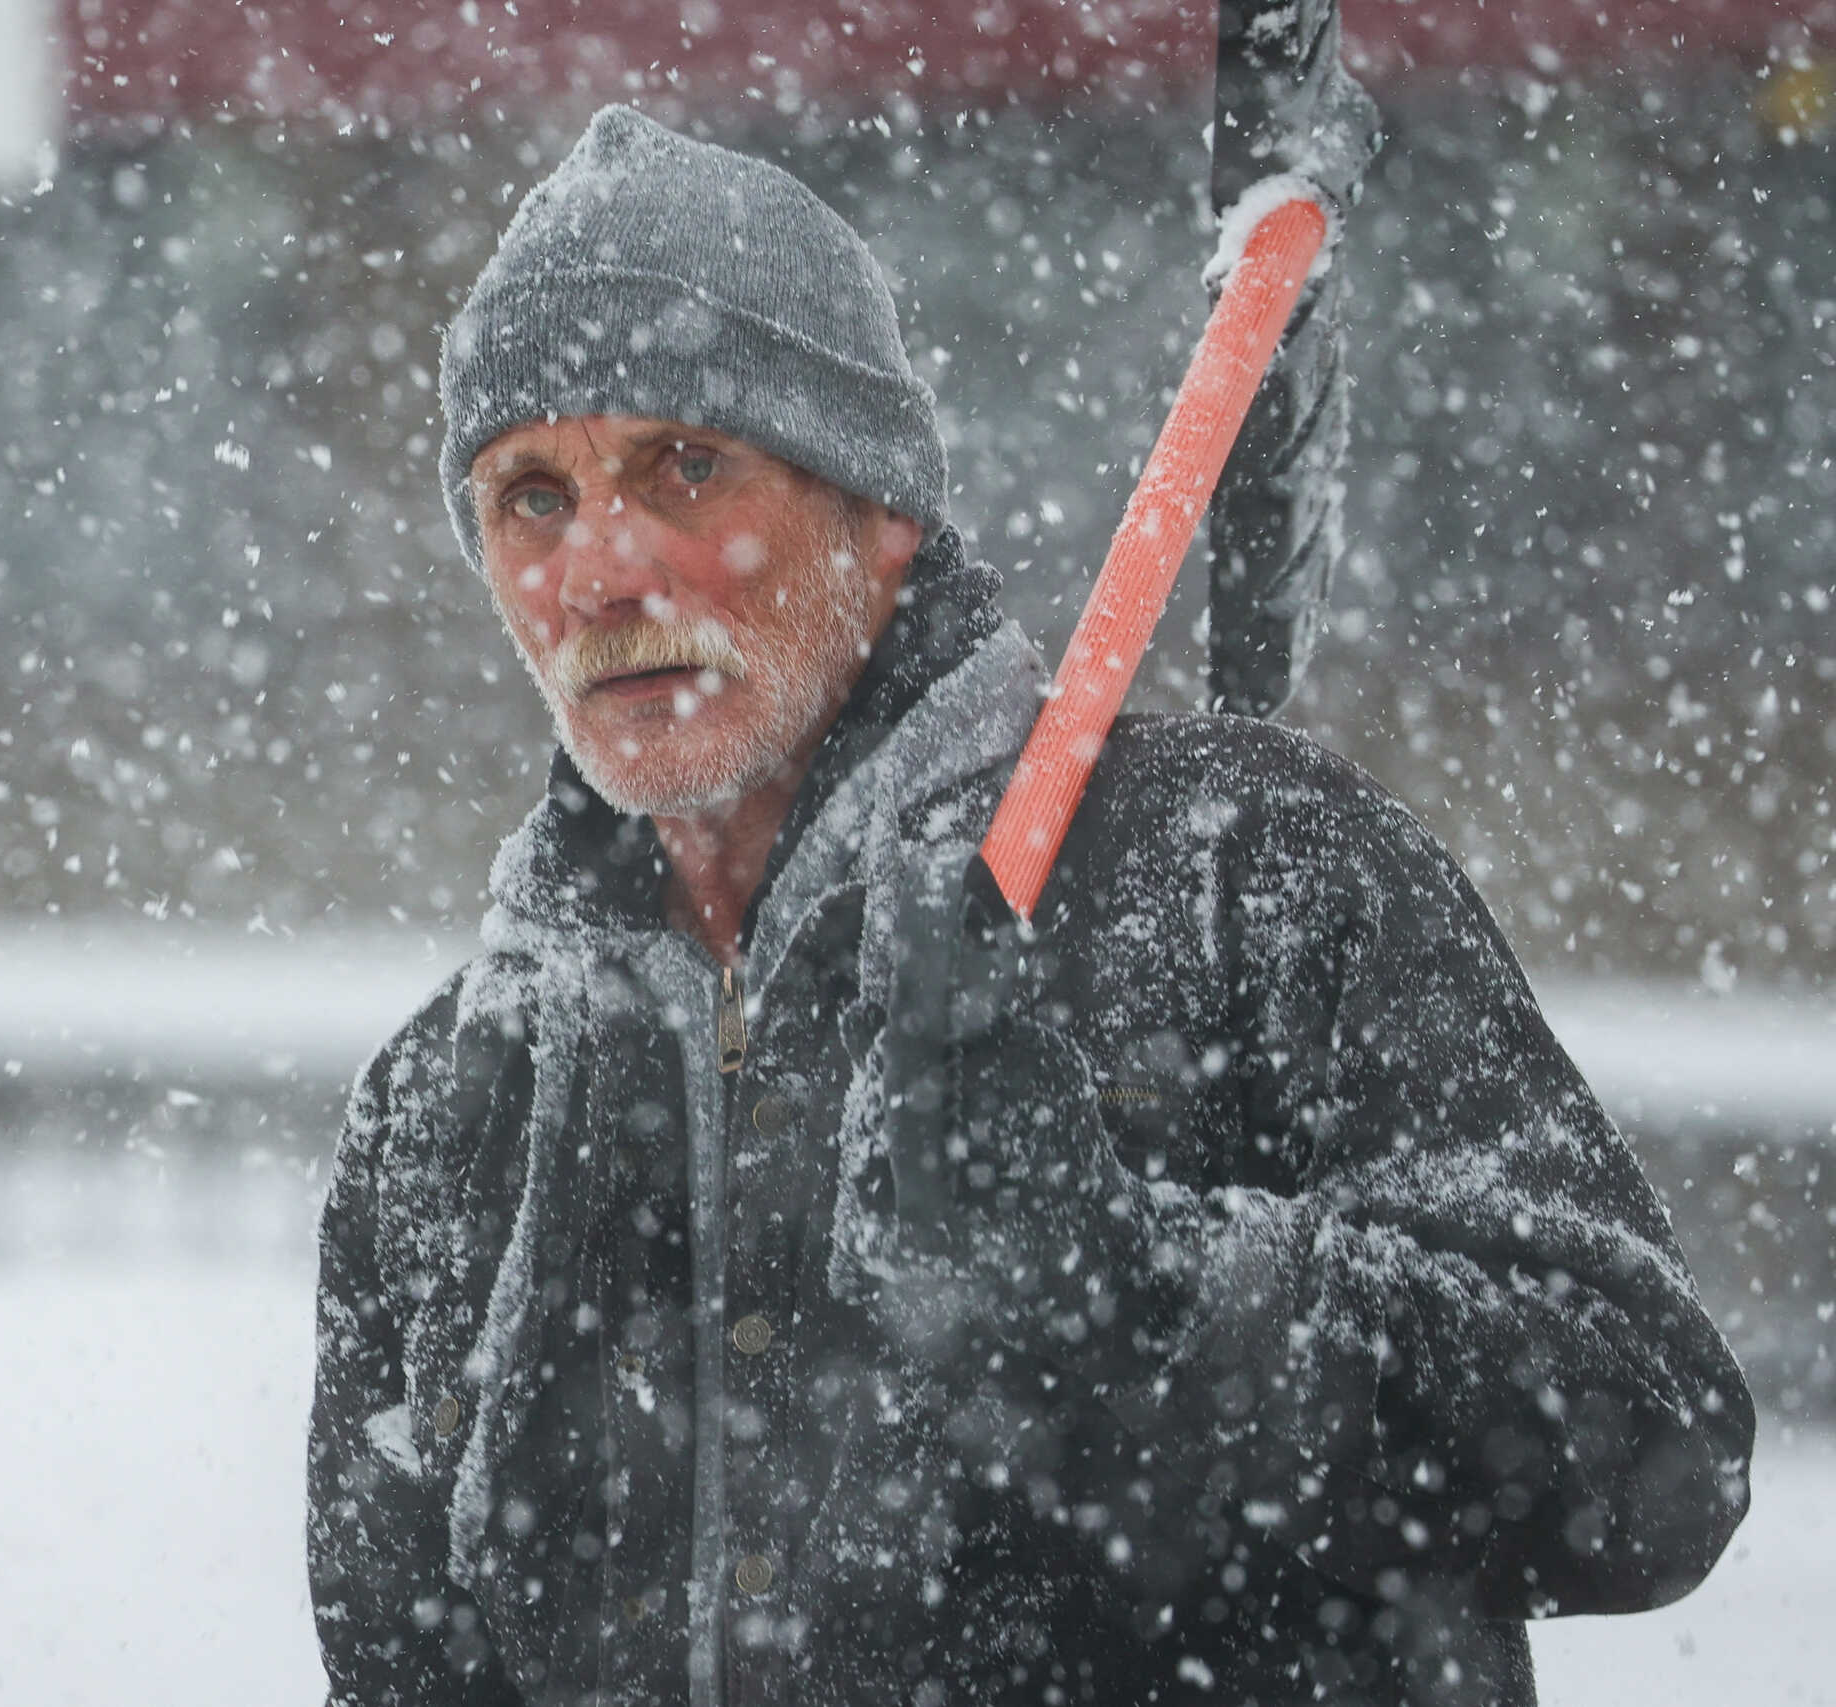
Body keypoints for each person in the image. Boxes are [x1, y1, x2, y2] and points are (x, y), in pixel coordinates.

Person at [306, 105, 1752, 1707]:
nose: (600, 571)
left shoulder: (1237, 877)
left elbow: (1656, 1456)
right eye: (530, 496)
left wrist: (1140, 1299)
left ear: (879, 512)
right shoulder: (455, 1105)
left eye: (685, 462)